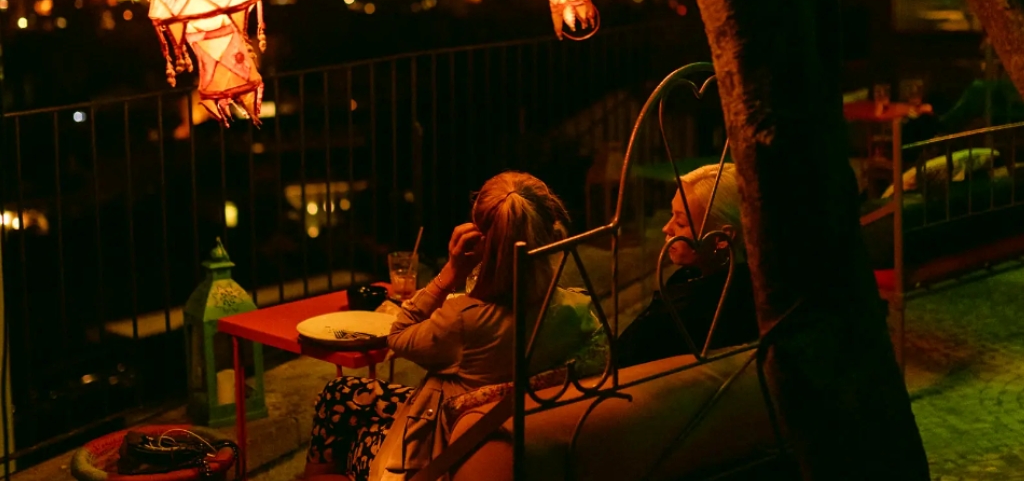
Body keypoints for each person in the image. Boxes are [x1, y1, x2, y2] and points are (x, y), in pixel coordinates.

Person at [303, 171, 605, 481]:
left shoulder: (465, 319)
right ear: (552, 236)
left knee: (337, 402)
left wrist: (451, 271)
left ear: (480, 237)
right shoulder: (575, 308)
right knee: (343, 392)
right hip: (500, 423)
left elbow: (397, 335)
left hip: (443, 449)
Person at [616, 163, 758, 369]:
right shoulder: (692, 277)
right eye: (671, 215)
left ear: (722, 239)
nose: (667, 228)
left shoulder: (700, 310)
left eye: (681, 223)